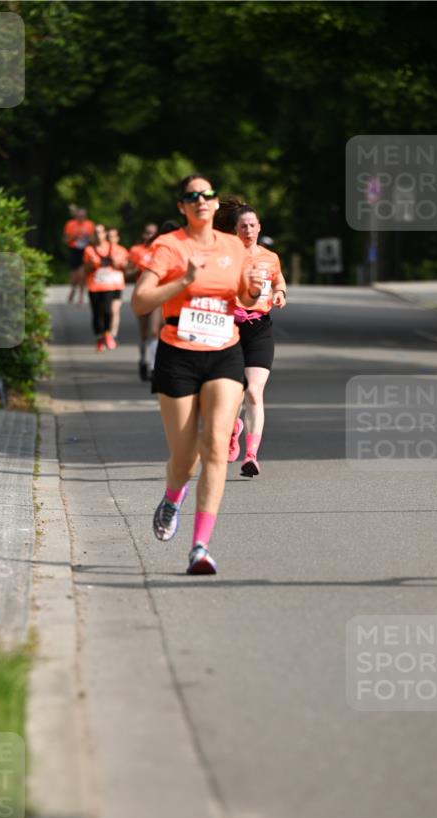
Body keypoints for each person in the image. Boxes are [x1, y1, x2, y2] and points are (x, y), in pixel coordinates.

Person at [131, 175, 266, 575]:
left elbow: (243, 296)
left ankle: (200, 547)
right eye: (192, 196)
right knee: (185, 456)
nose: (201, 200)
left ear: (214, 202)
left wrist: (255, 290)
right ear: (182, 207)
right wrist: (184, 279)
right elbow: (140, 302)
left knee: (215, 446)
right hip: (178, 354)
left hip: (224, 352)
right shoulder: (169, 246)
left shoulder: (231, 246)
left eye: (206, 194)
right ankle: (173, 496)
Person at [215, 197, 287, 477]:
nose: (247, 230)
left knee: (254, 391)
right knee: (232, 394)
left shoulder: (270, 257)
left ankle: (251, 455)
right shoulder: (225, 256)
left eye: (252, 225)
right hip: (229, 328)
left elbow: (278, 279)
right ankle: (233, 430)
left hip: (259, 328)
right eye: (242, 226)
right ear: (235, 229)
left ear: (259, 228)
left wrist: (280, 292)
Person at [83, 223, 128, 351]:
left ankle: (108, 334)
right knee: (97, 313)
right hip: (94, 286)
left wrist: (117, 262)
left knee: (108, 311)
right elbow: (85, 269)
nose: (98, 235)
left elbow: (125, 265)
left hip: (109, 286)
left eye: (100, 232)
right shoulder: (89, 250)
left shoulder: (115, 248)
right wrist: (91, 265)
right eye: (95, 232)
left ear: (105, 234)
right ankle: (99, 338)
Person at [128, 223, 159, 381]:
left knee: (154, 331)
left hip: (156, 294)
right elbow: (127, 271)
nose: (150, 236)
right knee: (143, 333)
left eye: (153, 233)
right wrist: (139, 268)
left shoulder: (161, 249)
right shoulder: (136, 250)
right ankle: (143, 360)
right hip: (140, 294)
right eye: (148, 233)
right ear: (143, 234)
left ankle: (154, 366)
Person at [63, 207, 95, 305]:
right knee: (74, 277)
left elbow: (94, 240)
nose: (81, 217)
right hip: (74, 250)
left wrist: (88, 238)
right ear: (76, 215)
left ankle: (81, 297)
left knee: (82, 275)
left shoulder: (90, 224)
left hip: (85, 251)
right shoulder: (70, 224)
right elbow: (65, 240)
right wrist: (74, 236)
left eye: (83, 216)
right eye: (79, 216)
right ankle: (73, 289)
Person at [105, 227, 129, 344]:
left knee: (114, 310)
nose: (110, 239)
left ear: (117, 238)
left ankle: (113, 334)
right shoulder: (100, 250)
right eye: (108, 236)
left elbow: (126, 266)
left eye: (113, 236)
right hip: (103, 286)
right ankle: (104, 333)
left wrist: (119, 262)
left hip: (116, 285)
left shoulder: (122, 250)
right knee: (105, 311)